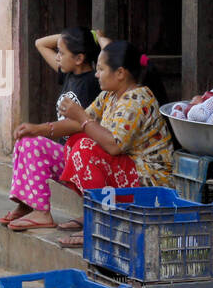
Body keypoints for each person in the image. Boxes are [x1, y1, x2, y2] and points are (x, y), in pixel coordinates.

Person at [58, 40, 178, 248]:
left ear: (120, 73)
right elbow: (80, 124)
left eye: (101, 69)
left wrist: (80, 115)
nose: (96, 75)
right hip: (129, 171)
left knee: (85, 148)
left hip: (150, 183)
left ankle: (101, 223)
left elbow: (113, 145)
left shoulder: (137, 99)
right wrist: (38, 130)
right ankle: (96, 215)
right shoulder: (110, 95)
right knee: (76, 141)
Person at [2, 26, 104, 233]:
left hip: (83, 161)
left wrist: (39, 129)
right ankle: (27, 203)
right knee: (24, 143)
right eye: (57, 51)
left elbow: (80, 124)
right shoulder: (68, 75)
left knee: (32, 143)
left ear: (79, 58)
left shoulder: (93, 83)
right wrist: (85, 36)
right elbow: (40, 43)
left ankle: (42, 212)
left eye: (61, 52)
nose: (57, 57)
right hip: (67, 156)